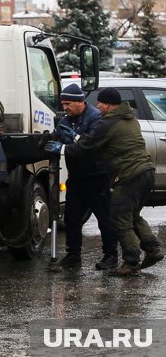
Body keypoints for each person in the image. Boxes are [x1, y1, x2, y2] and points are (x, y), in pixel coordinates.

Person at [61, 87, 164, 276]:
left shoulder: (109, 122)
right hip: (146, 172)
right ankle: (152, 249)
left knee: (118, 217)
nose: (97, 106)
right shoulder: (130, 118)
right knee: (132, 215)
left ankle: (131, 262)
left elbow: (87, 147)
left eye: (100, 102)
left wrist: (65, 147)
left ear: (108, 104)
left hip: (130, 175)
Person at [55, 83, 118, 270]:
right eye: (63, 104)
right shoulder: (65, 121)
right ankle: (73, 254)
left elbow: (89, 146)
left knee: (104, 218)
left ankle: (111, 255)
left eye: (68, 103)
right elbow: (60, 136)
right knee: (71, 218)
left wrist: (73, 140)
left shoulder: (96, 118)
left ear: (80, 102)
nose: (65, 108)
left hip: (97, 176)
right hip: (76, 177)